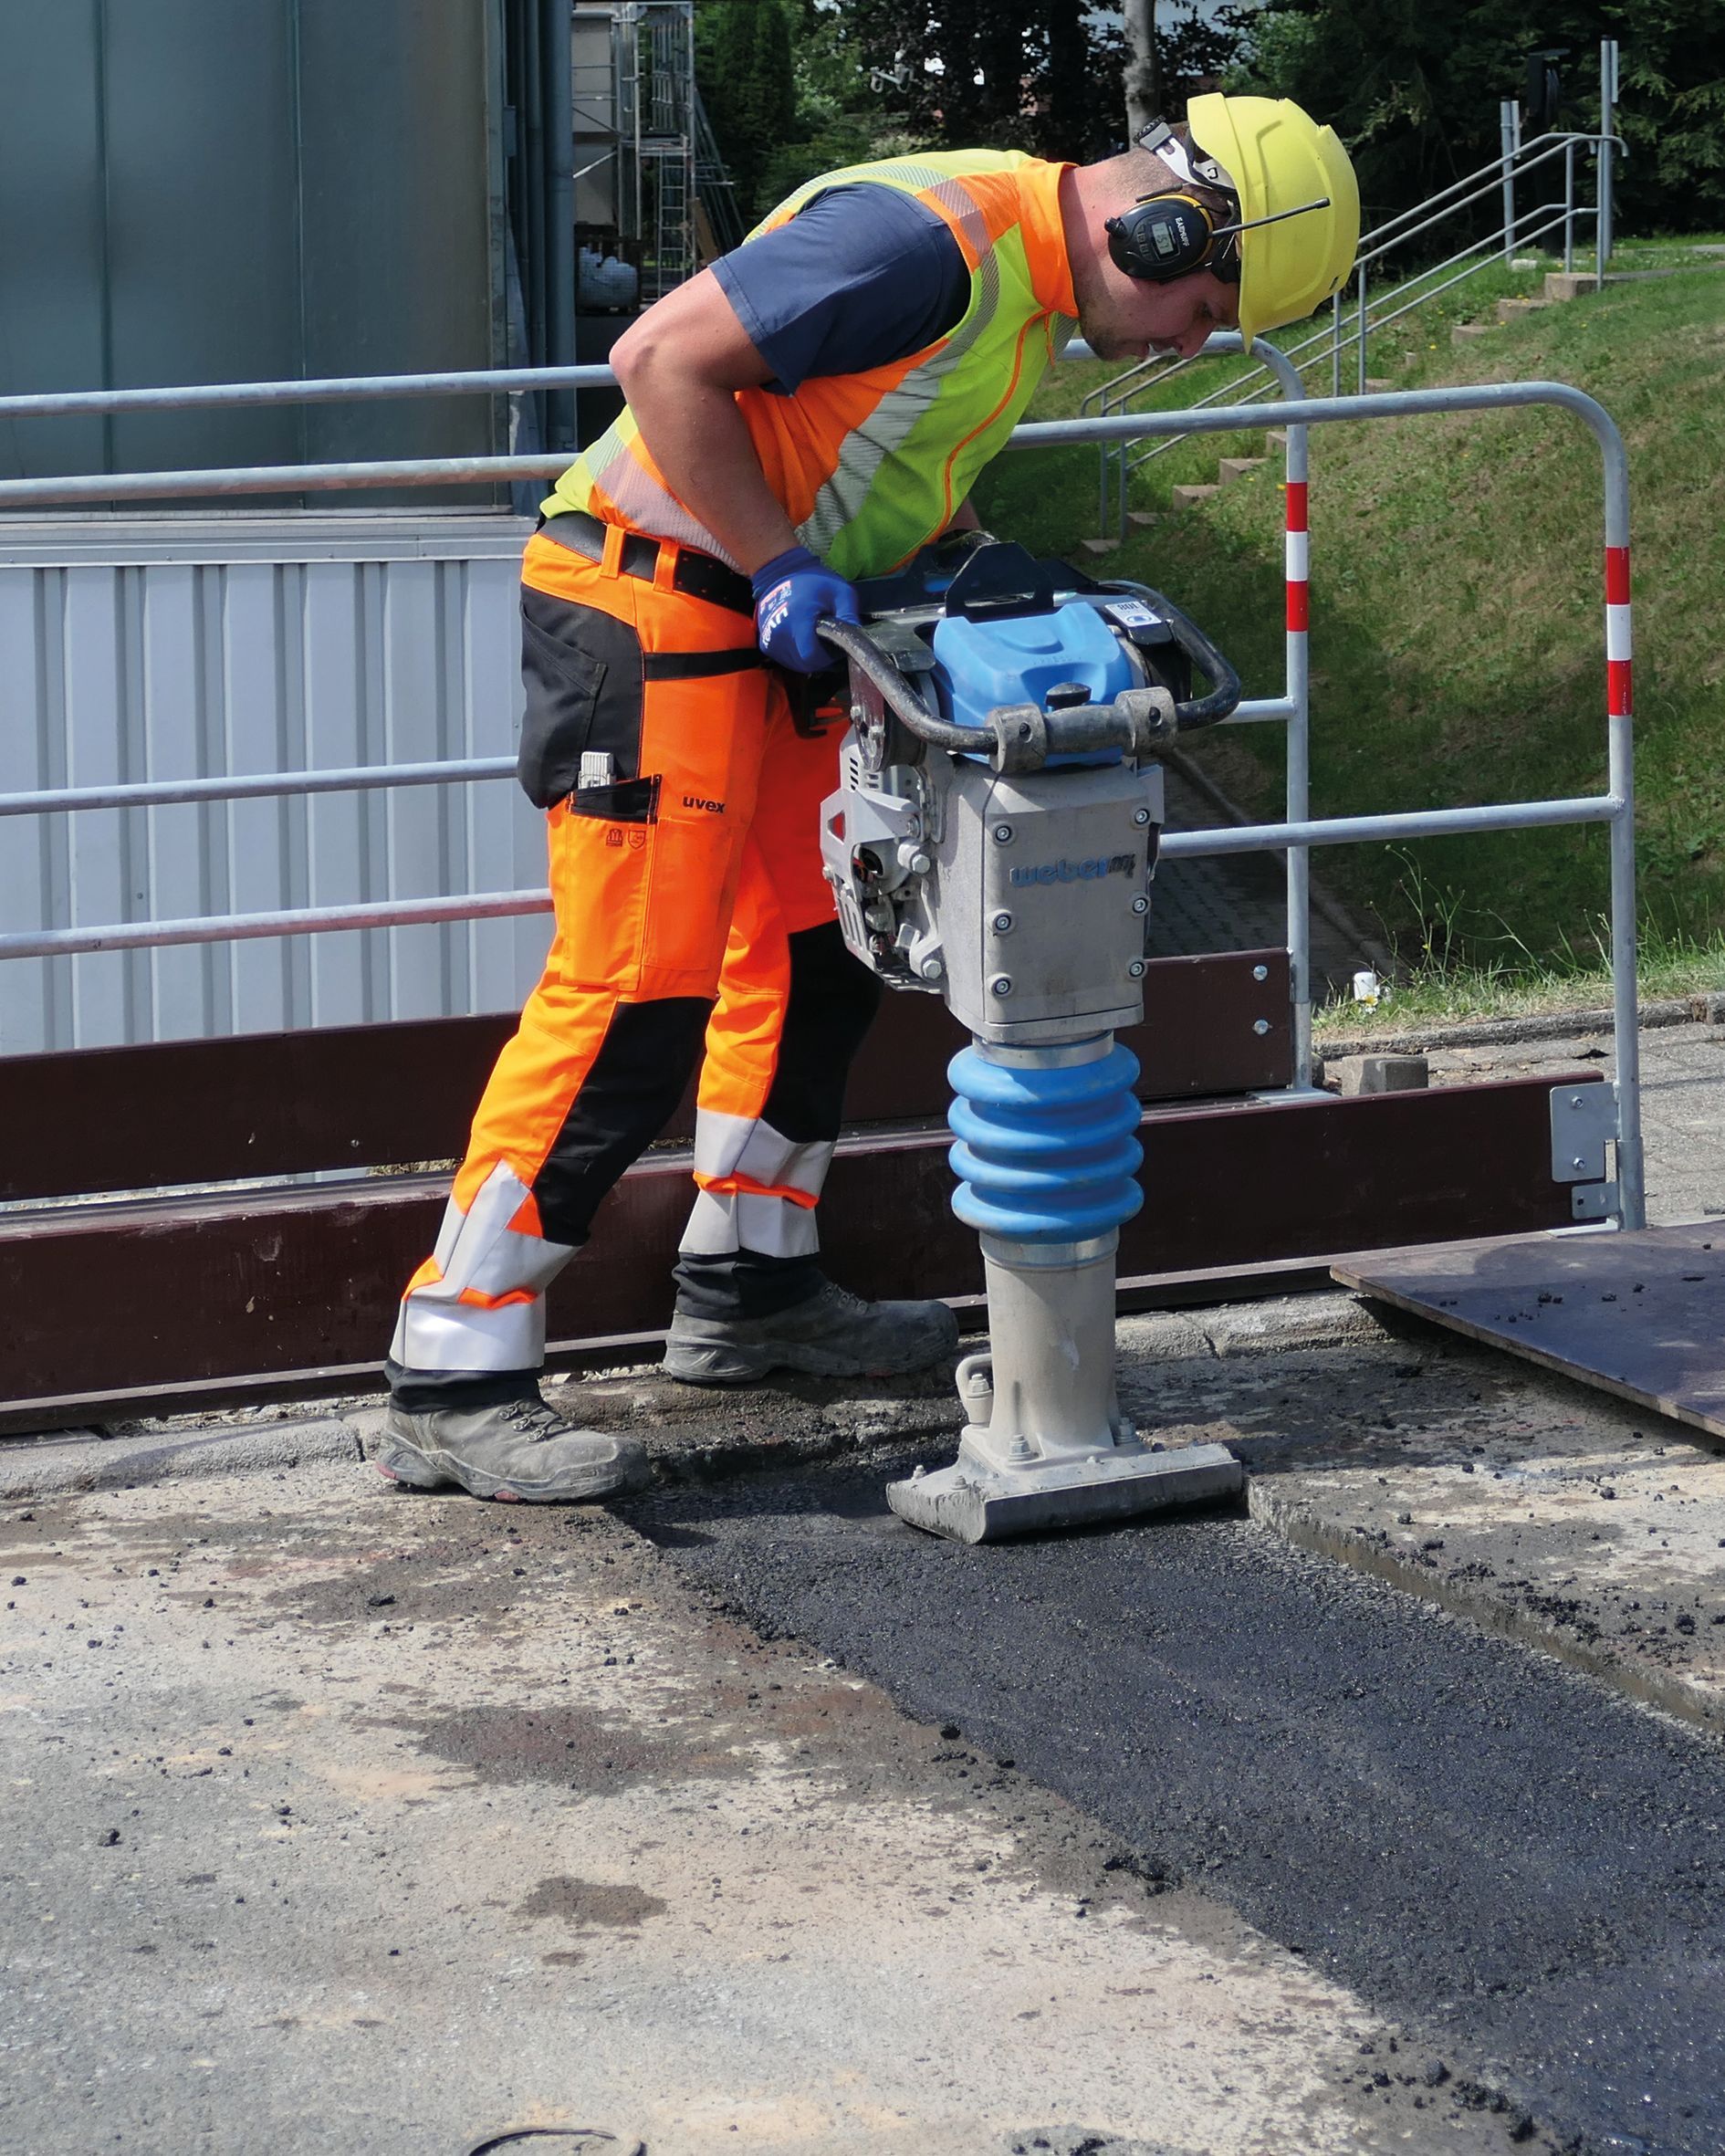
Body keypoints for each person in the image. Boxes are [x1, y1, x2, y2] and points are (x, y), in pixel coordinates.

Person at [375, 95, 1360, 1504]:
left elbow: (871, 445)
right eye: (1199, 306)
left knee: (820, 949)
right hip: (651, 609)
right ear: (1162, 228)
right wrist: (780, 561)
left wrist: (962, 561)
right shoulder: (929, 243)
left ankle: (748, 1287)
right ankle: (453, 1363)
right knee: (631, 1000)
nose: (1184, 342)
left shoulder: (1021, 294)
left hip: (773, 627)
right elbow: (658, 362)